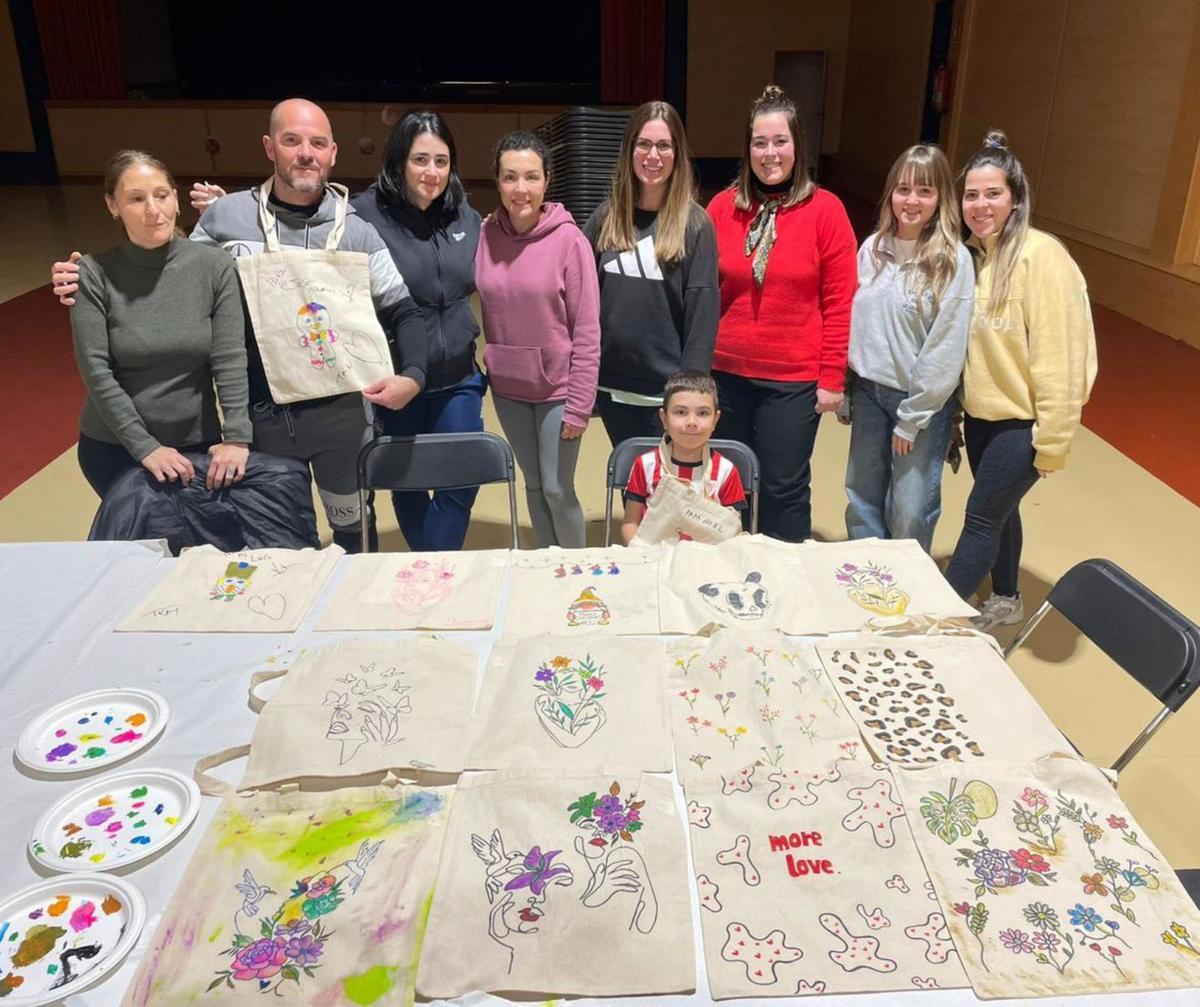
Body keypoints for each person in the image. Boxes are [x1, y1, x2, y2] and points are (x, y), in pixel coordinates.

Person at [51, 98, 428, 553]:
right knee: (275, 538)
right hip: (260, 419)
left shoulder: (357, 229)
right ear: (270, 147)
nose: (305, 152)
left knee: (353, 527)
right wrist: (87, 275)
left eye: (317, 142)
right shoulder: (225, 220)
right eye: (292, 140)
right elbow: (171, 268)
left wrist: (413, 375)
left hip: (340, 418)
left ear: (333, 152)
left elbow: (403, 309)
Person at [944, 129, 1097, 630]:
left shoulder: (1042, 256)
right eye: (971, 194)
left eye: (993, 193)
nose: (981, 205)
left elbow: (1062, 358)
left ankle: (936, 619)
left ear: (1016, 199)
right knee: (1002, 512)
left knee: (981, 518)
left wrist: (1052, 442)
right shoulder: (973, 259)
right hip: (985, 418)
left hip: (1023, 423)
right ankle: (1007, 596)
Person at [706, 84, 857, 542]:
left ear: (798, 146)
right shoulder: (722, 207)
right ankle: (735, 572)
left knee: (782, 484)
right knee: (729, 482)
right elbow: (702, 292)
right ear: (747, 148)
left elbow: (840, 300)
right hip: (726, 372)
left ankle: (786, 578)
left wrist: (833, 378)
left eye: (780, 141)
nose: (770, 153)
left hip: (792, 378)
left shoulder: (826, 210)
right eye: (759, 142)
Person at [71, 149, 251, 498]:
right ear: (113, 206)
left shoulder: (215, 267)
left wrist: (237, 436)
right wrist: (145, 447)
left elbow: (229, 359)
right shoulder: (93, 275)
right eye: (136, 199)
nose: (153, 211)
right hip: (116, 447)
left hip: (199, 444)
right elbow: (96, 372)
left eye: (161, 195)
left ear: (176, 199)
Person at [350, 110, 485, 551]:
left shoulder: (465, 216)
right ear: (398, 161)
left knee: (461, 477)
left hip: (458, 376)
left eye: (441, 161)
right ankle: (434, 570)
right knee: (406, 484)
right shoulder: (363, 214)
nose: (432, 172)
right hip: (395, 378)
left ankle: (429, 565)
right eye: (420, 159)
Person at [843, 144, 973, 552]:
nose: (911, 201)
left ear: (940, 200)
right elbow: (855, 322)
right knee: (861, 494)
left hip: (917, 402)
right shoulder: (873, 249)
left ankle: (908, 589)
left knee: (910, 505)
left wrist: (913, 416)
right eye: (903, 189)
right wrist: (847, 387)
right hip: (867, 391)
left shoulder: (952, 260)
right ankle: (868, 576)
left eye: (925, 191)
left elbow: (946, 345)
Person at [474, 131, 600, 548]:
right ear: (497, 181)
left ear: (547, 181)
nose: (520, 189)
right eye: (510, 177)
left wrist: (580, 405)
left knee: (556, 487)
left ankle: (578, 570)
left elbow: (586, 330)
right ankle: (546, 566)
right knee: (532, 485)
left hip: (558, 391)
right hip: (508, 387)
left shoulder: (570, 241)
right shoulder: (486, 234)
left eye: (531, 177)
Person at [582, 101, 718, 446]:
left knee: (667, 491)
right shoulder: (605, 218)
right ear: (630, 150)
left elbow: (702, 315)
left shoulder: (695, 224)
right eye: (643, 144)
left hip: (666, 392)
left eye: (664, 145)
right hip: (611, 384)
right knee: (634, 484)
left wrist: (690, 394)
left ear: (677, 153)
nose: (652, 156)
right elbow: (573, 284)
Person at [620, 369, 746, 544]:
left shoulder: (726, 471)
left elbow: (733, 534)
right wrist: (641, 555)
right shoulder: (645, 465)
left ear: (715, 420)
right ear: (664, 419)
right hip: (653, 559)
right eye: (680, 412)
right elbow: (630, 523)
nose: (691, 422)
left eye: (702, 413)